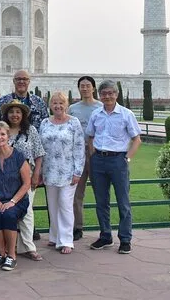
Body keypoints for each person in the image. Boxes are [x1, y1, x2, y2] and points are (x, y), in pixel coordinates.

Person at [0, 69, 48, 241]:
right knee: (8, 204)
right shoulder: (2, 102)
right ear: (13, 81)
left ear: (29, 81)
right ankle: (11, 241)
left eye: (25, 79)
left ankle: (26, 242)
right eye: (18, 79)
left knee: (26, 206)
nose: (22, 82)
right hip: (5, 169)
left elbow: (43, 131)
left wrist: (37, 171)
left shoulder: (38, 102)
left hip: (28, 167)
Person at [86, 80, 141, 254]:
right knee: (101, 201)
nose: (107, 96)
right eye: (104, 94)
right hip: (99, 160)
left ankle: (125, 239)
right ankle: (105, 236)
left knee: (123, 202)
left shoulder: (126, 114)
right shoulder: (96, 114)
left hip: (118, 160)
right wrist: (93, 155)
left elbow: (137, 139)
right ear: (100, 95)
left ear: (116, 94)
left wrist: (127, 159)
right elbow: (90, 136)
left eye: (111, 93)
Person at [39, 92, 85, 254]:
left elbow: (79, 147)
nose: (58, 106)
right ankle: (54, 236)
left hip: (68, 171)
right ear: (50, 105)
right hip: (49, 170)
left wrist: (78, 171)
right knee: (52, 205)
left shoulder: (73, 122)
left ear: (66, 105)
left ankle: (66, 240)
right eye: (54, 103)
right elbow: (40, 148)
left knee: (65, 204)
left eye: (61, 103)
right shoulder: (45, 122)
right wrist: (39, 170)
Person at [1, 99, 45, 261]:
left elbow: (39, 153)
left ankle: (28, 246)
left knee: (26, 210)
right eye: (12, 112)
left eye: (18, 112)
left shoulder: (30, 130)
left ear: (23, 114)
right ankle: (8, 247)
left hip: (27, 175)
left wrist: (36, 174)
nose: (15, 115)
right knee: (8, 209)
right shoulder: (2, 130)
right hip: (6, 177)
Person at [0, 122, 31, 271]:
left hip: (17, 200)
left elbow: (26, 183)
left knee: (9, 215)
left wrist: (12, 201)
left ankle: (11, 255)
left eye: (2, 134)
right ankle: (1, 254)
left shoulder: (18, 156)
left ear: (8, 136)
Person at [68, 76, 103, 241]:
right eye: (82, 86)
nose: (85, 88)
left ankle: (104, 229)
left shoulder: (101, 107)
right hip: (78, 154)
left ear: (93, 88)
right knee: (76, 193)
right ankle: (77, 227)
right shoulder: (73, 109)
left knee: (100, 193)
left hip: (97, 154)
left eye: (88, 86)